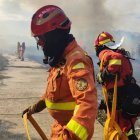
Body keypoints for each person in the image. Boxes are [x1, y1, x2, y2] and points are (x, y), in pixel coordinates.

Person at [22, 5, 98, 140]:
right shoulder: (60, 58)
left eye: (41, 38)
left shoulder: (76, 61)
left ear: (54, 36)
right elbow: (53, 91)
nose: (40, 44)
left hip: (70, 132)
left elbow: (88, 105)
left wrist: (70, 136)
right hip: (59, 129)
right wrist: (35, 107)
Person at [94, 31, 138, 140]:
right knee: (125, 128)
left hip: (119, 96)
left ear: (99, 46)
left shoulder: (106, 52)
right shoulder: (120, 54)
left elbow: (115, 59)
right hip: (125, 95)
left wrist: (103, 76)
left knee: (120, 127)